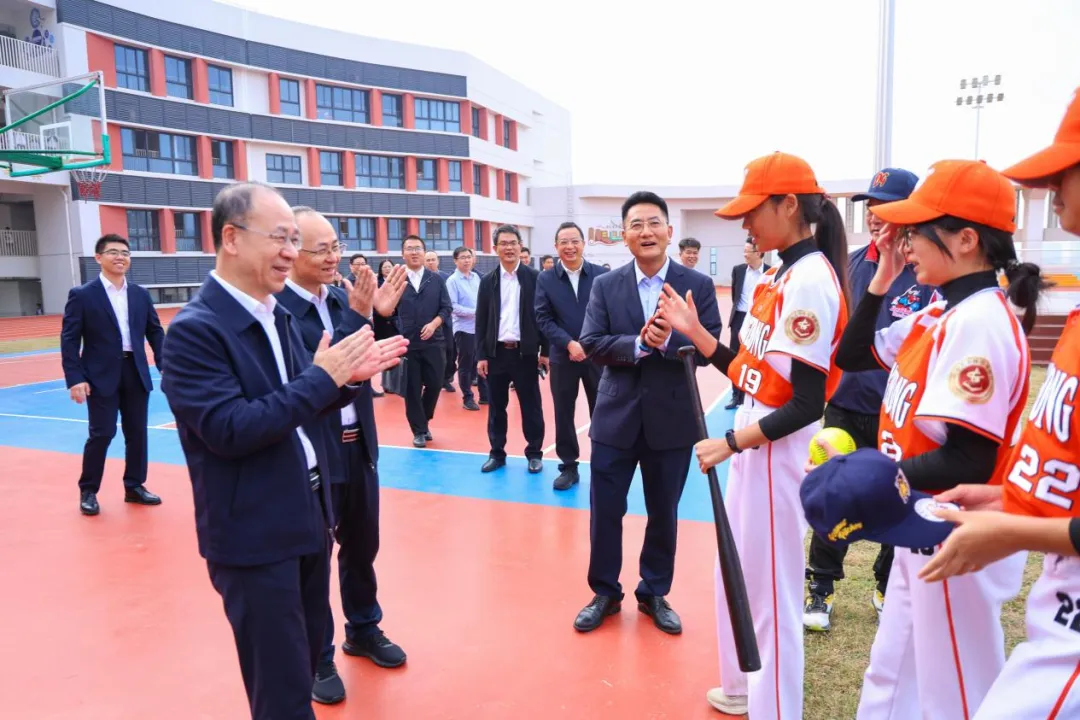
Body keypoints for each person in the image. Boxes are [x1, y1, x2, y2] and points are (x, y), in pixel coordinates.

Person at [159, 181, 407, 719]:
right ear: (231, 238)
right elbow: (230, 428)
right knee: (281, 690)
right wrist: (325, 378)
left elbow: (302, 403)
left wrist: (347, 381)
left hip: (307, 515)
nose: (292, 253)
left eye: (296, 240)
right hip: (256, 535)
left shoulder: (277, 316)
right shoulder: (195, 332)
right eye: (281, 238)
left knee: (305, 660)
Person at [827, 159, 1045, 720]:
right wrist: (881, 278)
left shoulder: (980, 320)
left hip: (953, 528)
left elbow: (969, 459)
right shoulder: (940, 310)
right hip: (919, 519)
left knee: (956, 693)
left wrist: (868, 479)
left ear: (966, 239)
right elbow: (852, 354)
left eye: (918, 231)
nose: (905, 243)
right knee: (891, 673)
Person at [658, 152, 850, 718]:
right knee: (736, 573)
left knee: (770, 592)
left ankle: (777, 709)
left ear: (788, 205)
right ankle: (744, 687)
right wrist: (697, 333)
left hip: (775, 450)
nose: (745, 223)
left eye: (753, 210)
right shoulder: (777, 273)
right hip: (753, 438)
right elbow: (751, 372)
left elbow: (807, 401)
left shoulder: (809, 279)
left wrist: (731, 443)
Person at [912, 87, 1080, 719]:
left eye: (1066, 171)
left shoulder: (980, 316)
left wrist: (1013, 528)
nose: (1053, 188)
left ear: (963, 239)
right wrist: (1007, 499)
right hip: (1058, 595)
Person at [276, 207, 409, 704]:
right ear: (292, 253)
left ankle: (363, 628)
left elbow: (379, 355)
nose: (333, 257)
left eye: (336, 246)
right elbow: (324, 375)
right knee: (315, 558)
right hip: (317, 451)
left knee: (362, 544)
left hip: (359, 447)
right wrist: (360, 315)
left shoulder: (341, 299)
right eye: (322, 249)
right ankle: (318, 654)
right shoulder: (281, 312)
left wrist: (383, 315)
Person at [575, 191, 722, 635]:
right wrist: (639, 345)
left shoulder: (697, 285)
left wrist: (671, 341)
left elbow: (709, 346)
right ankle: (605, 591)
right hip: (615, 419)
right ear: (624, 236)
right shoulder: (606, 285)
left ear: (669, 231)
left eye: (654, 222)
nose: (646, 232)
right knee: (605, 511)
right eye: (636, 225)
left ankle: (654, 591)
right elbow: (592, 342)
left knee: (664, 511)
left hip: (672, 420)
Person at [802, 166, 936, 632]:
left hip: (898, 413)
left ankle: (885, 585)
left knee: (898, 498)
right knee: (835, 496)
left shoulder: (927, 273)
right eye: (871, 207)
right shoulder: (851, 264)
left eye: (887, 207)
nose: (876, 216)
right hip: (844, 405)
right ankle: (821, 586)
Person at [61, 233, 165, 516]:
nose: (120, 257)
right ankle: (88, 490)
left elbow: (155, 332)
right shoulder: (83, 295)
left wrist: (166, 365)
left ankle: (134, 486)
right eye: (113, 252)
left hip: (135, 371)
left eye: (125, 253)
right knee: (102, 433)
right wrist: (75, 378)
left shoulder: (140, 294)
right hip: (99, 375)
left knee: (137, 433)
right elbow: (70, 339)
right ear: (99, 257)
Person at [535, 221, 608, 490]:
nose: (570, 246)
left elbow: (608, 314)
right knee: (563, 412)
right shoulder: (546, 279)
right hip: (562, 357)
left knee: (603, 410)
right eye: (564, 242)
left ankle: (604, 463)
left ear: (583, 244)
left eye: (574, 241)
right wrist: (568, 344)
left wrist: (590, 344)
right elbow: (543, 318)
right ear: (556, 247)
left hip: (597, 356)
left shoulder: (601, 276)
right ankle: (568, 466)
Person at [475, 225, 548, 473]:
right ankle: (497, 453)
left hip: (524, 353)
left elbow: (545, 317)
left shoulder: (535, 278)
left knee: (531, 405)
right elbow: (481, 320)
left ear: (520, 246)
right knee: (497, 407)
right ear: (495, 248)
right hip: (496, 354)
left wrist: (545, 352)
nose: (509, 248)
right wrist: (481, 355)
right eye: (503, 244)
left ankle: (534, 453)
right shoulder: (488, 281)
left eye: (513, 243)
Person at [397, 236, 452, 447]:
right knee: (412, 389)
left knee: (435, 384)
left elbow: (446, 308)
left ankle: (424, 419)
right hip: (407, 344)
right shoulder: (397, 280)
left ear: (424, 251)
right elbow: (388, 310)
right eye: (409, 248)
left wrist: (434, 324)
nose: (414, 252)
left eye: (418, 248)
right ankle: (419, 430)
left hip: (434, 342)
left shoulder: (435, 279)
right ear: (403, 254)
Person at [725, 237, 769, 410]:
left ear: (758, 252)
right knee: (735, 357)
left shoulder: (770, 272)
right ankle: (736, 396)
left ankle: (752, 396)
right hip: (739, 318)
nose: (744, 254)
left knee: (756, 359)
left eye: (747, 251)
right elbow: (735, 295)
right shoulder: (738, 270)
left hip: (759, 321)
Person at [445, 246, 487, 410]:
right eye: (463, 257)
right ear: (455, 261)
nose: (467, 260)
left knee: (482, 360)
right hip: (464, 329)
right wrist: (475, 312)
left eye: (469, 257)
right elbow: (453, 306)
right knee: (466, 364)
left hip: (480, 328)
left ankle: (485, 395)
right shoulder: (452, 281)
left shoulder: (476, 277)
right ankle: (467, 398)